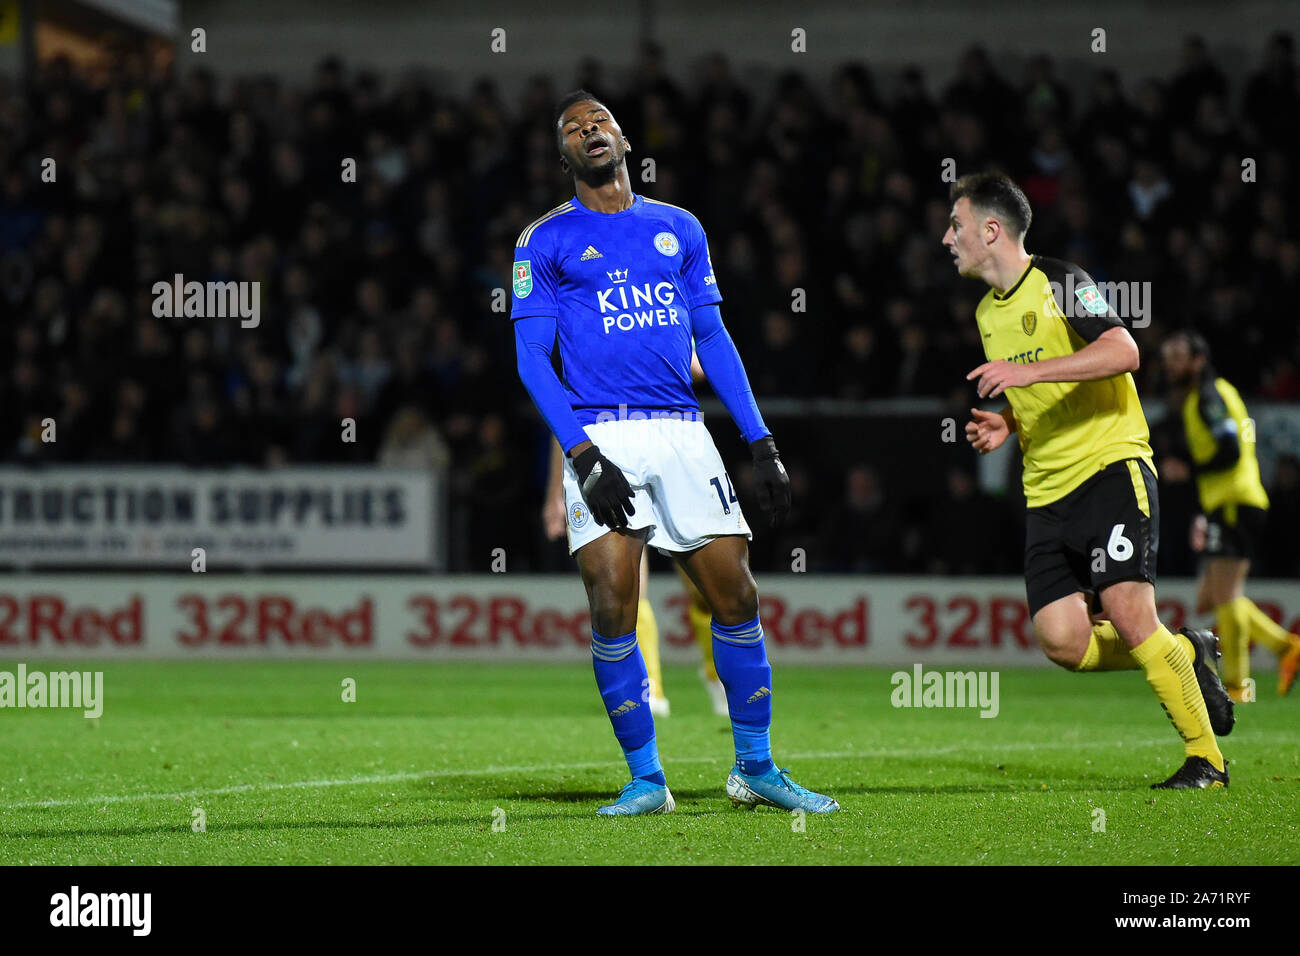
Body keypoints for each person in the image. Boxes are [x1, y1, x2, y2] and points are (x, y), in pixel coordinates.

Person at [511, 91, 837, 815]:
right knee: (612, 606)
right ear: (562, 156)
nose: (588, 130)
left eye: (599, 120)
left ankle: (755, 768)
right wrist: (583, 455)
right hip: (603, 432)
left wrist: (761, 439)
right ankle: (646, 781)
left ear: (624, 138)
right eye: (572, 129)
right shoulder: (542, 242)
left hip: (685, 432)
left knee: (738, 595)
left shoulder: (678, 227)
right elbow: (533, 361)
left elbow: (712, 339)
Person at [947, 171, 1233, 789]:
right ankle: (1183, 652)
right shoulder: (985, 313)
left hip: (1109, 467)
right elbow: (1045, 385)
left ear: (991, 230)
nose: (948, 238)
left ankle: (1205, 759)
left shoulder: (1061, 282)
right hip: (1046, 491)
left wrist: (1025, 379)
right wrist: (1009, 426)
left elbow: (1124, 352)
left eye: (957, 225)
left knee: (1130, 614)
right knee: (1062, 641)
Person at [543, 437, 730, 719]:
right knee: (628, 585)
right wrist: (555, 493)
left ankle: (715, 674)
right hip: (611, 462)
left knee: (700, 587)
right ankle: (649, 687)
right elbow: (558, 422)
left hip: (670, 455)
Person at [1161, 330, 1300, 698]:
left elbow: (1230, 452)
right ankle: (1284, 649)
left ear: (1198, 360)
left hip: (1236, 501)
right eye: (1167, 356)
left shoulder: (1209, 397)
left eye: (1177, 356)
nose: (1169, 364)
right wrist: (1202, 514)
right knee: (1215, 595)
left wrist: (1188, 468)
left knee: (1226, 594)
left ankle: (1241, 686)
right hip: (1230, 503)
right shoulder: (1209, 396)